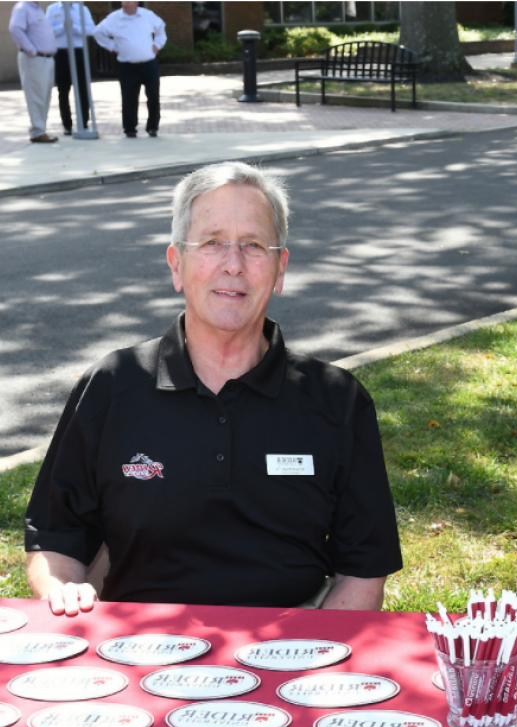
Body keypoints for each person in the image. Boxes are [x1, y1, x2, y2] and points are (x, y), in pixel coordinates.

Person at [25, 161, 403, 616]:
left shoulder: (337, 400)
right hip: (138, 648)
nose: (233, 264)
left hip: (292, 650)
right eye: (211, 243)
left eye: (254, 245)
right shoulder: (112, 386)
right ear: (176, 265)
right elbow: (55, 540)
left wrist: (312, 662)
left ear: (280, 268)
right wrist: (63, 589)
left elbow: (362, 574)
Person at [93, 1, 165, 138]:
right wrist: (112, 46)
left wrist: (158, 44)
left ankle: (153, 127)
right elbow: (98, 33)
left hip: (149, 63)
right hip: (127, 66)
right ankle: (130, 128)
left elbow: (161, 28)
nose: (125, 3)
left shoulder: (147, 15)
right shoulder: (114, 18)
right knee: (129, 97)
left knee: (153, 96)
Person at [8, 1, 58, 143]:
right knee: (36, 96)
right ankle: (37, 132)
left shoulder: (38, 9)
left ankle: (40, 130)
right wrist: (31, 49)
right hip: (35, 59)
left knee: (44, 96)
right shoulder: (23, 7)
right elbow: (15, 29)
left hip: (46, 59)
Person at [46, 1, 95, 136]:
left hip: (79, 52)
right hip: (61, 53)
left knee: (82, 90)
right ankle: (67, 125)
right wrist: (62, 27)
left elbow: (91, 29)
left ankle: (83, 123)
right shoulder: (52, 9)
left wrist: (75, 27)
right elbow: (47, 31)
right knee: (63, 90)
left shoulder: (82, 9)